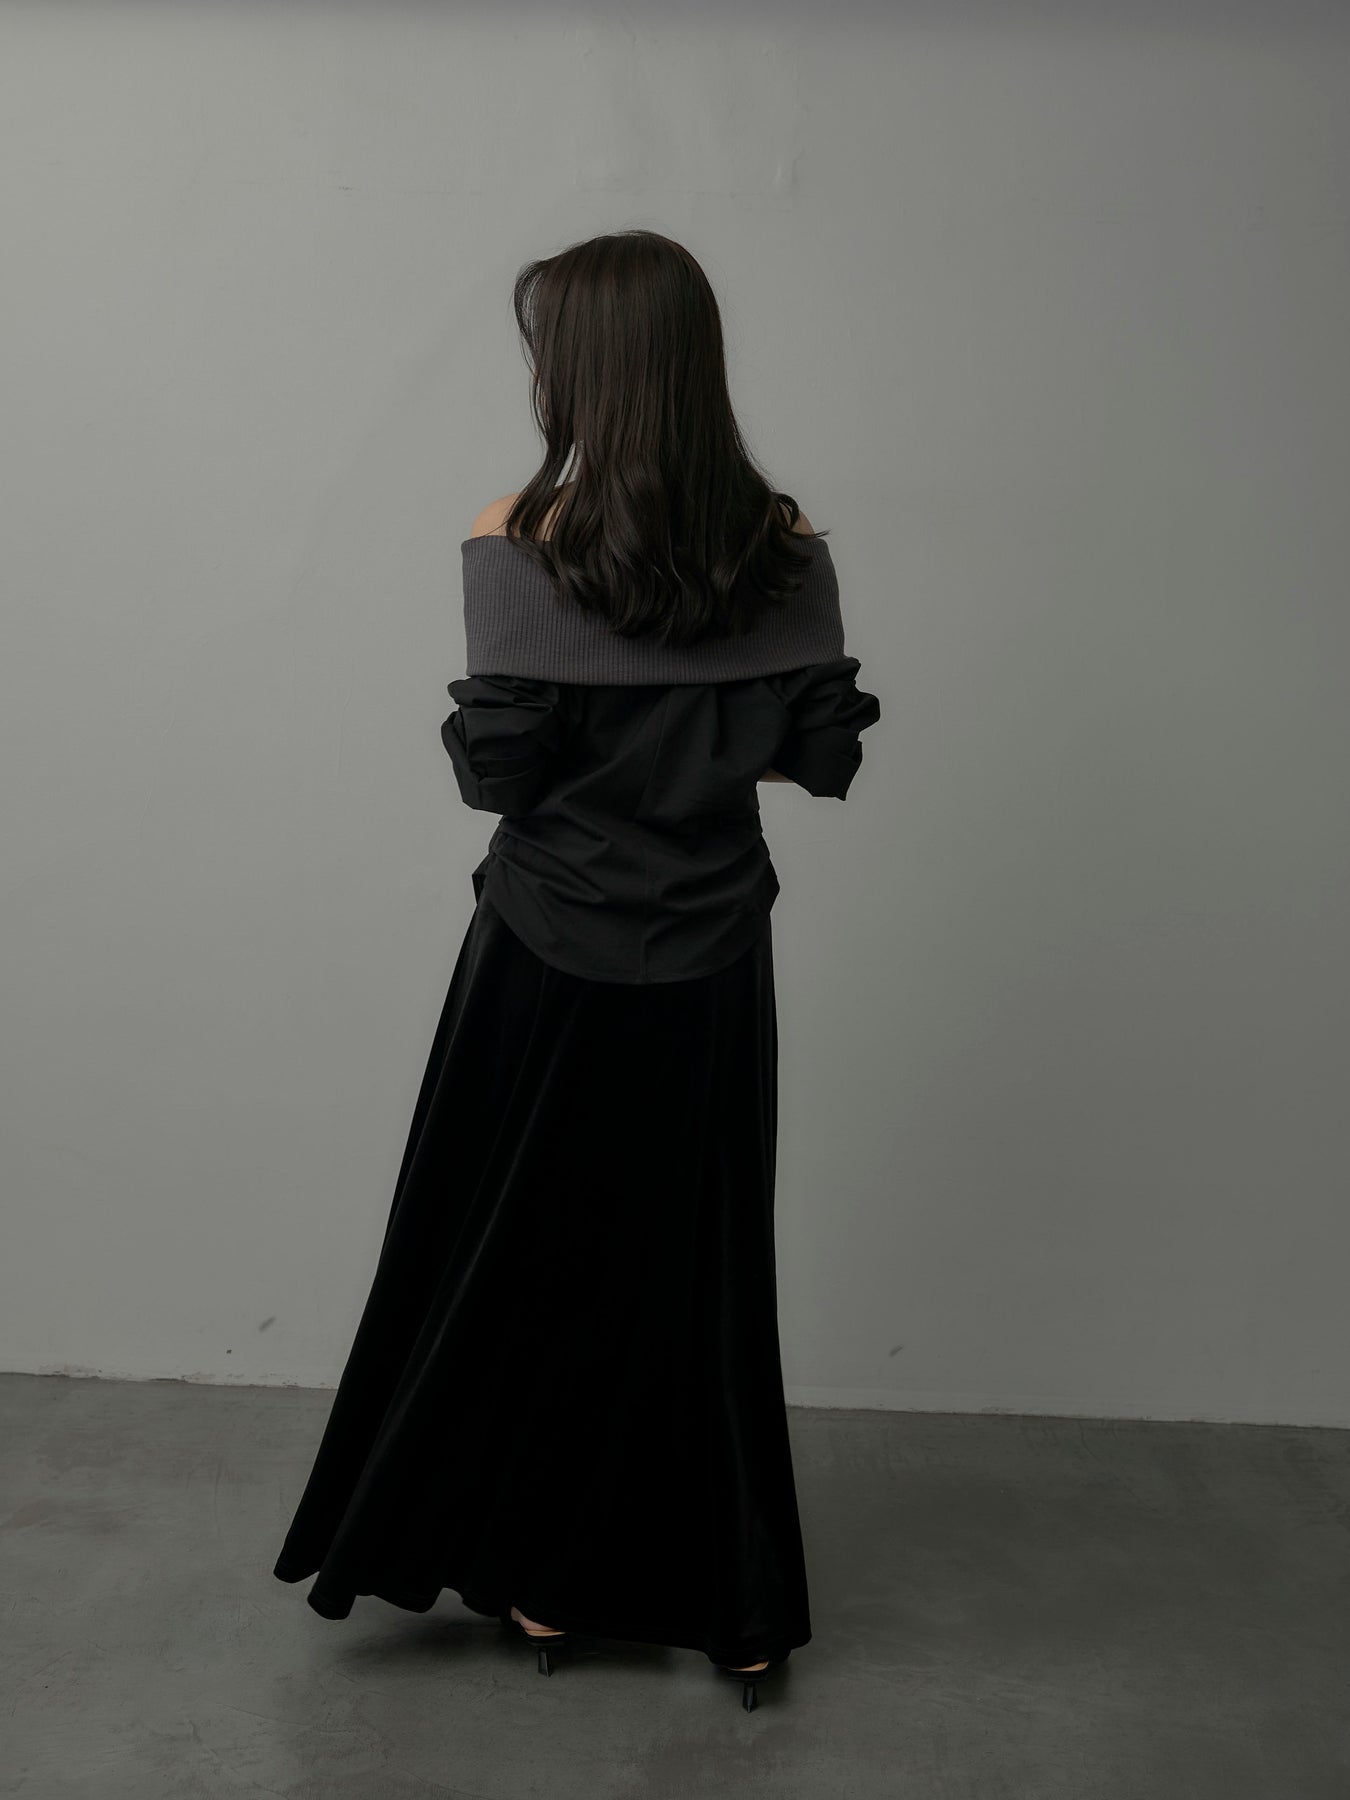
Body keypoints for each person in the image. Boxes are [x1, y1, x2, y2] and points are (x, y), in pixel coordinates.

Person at [272, 228, 882, 1714]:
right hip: (713, 955)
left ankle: (546, 1576)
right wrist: (711, 720)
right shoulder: (778, 538)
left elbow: (503, 776)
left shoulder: (519, 531)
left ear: (585, 369)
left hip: (545, 953)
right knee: (697, 1275)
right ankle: (735, 1611)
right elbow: (820, 755)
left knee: (528, 1261)